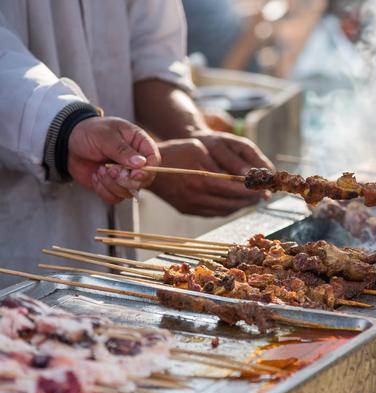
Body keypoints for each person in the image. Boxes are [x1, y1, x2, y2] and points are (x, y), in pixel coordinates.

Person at [0, 1, 274, 285]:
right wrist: (68, 128)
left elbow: (153, 59)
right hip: (19, 240)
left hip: (114, 234)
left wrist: (195, 133)